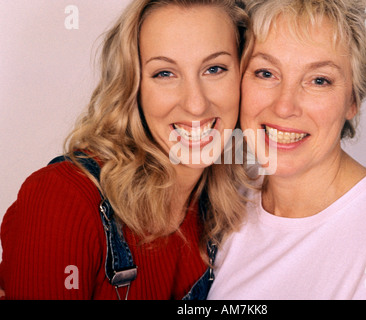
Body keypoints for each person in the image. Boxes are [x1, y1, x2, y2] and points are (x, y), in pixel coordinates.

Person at [0, 0, 250, 300]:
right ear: (132, 86)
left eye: (214, 69)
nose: (195, 103)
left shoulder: (228, 205)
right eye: (164, 74)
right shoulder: (63, 198)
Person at [206, 0, 366, 299]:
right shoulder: (222, 200)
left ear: (352, 101)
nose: (284, 106)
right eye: (266, 73)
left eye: (319, 80)